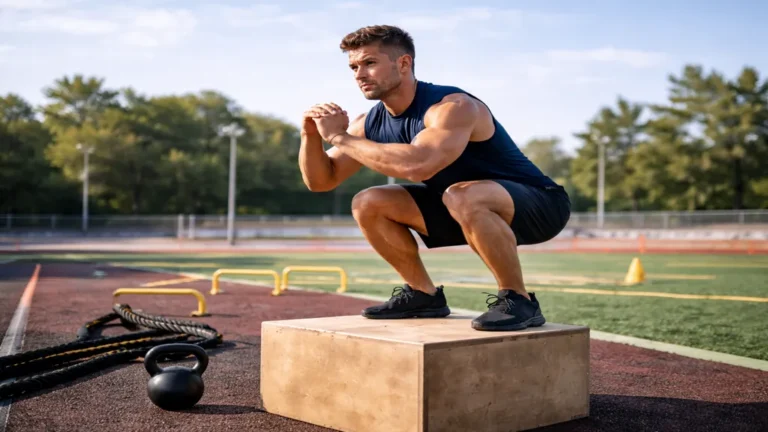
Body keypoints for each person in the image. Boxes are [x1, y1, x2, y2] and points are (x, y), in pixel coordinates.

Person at [298, 25, 571, 331]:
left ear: (403, 63)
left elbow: (420, 166)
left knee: (462, 194)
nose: (359, 74)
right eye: (354, 67)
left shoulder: (452, 107)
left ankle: (519, 300)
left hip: (540, 204)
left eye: (370, 63)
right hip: (461, 206)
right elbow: (322, 181)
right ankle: (422, 295)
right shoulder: (370, 123)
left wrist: (338, 136)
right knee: (368, 202)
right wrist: (310, 136)